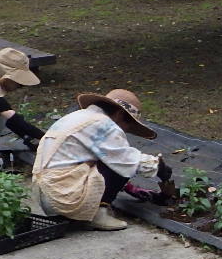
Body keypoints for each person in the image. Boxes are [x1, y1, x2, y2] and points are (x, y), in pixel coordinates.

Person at [30, 88, 171, 231]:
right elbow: (127, 159)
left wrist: (133, 189)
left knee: (109, 158)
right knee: (122, 162)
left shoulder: (78, 117)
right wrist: (158, 167)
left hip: (46, 194)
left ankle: (85, 210)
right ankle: (97, 214)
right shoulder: (104, 124)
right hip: (64, 197)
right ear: (119, 114)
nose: (126, 130)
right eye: (128, 124)